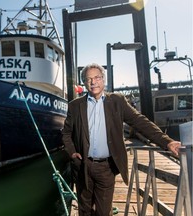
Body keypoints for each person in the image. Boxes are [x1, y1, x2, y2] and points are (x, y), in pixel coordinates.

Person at [61, 63, 181, 216]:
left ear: (103, 80)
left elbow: (140, 122)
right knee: (84, 210)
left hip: (107, 167)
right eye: (88, 79)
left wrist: (167, 141)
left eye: (97, 77)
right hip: (83, 166)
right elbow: (66, 134)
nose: (93, 82)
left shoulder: (117, 101)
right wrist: (72, 153)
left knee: (104, 212)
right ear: (84, 82)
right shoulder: (75, 106)